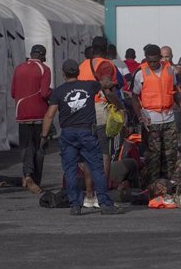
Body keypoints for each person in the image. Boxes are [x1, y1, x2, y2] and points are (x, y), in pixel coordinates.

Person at [40, 59, 124, 215]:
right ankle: (105, 204)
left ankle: (75, 205)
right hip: (87, 132)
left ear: (63, 74)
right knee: (97, 168)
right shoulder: (89, 86)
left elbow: (49, 115)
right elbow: (106, 84)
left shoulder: (59, 91)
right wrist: (112, 83)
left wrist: (44, 136)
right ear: (78, 73)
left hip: (68, 134)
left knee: (70, 170)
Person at [132, 44, 181, 185]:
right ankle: (153, 185)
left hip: (168, 117)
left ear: (160, 58)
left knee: (171, 153)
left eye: (155, 61)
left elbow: (175, 91)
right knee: (153, 155)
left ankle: (170, 183)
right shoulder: (140, 73)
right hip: (151, 119)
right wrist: (140, 117)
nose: (153, 64)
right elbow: (134, 97)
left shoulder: (169, 70)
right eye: (149, 61)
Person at [11, 44, 52, 194]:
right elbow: (44, 93)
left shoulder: (19, 68)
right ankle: (36, 179)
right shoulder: (44, 69)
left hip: (21, 114)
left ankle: (27, 174)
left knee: (26, 146)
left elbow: (13, 92)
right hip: (39, 113)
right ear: (42, 56)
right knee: (40, 147)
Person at [78, 36, 118, 178]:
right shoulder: (106, 64)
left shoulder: (82, 65)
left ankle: (88, 185)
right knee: (104, 150)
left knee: (87, 149)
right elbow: (107, 89)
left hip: (82, 110)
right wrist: (120, 107)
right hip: (99, 108)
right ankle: (104, 184)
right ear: (106, 49)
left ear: (92, 48)